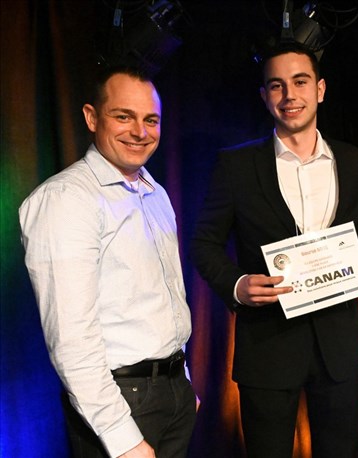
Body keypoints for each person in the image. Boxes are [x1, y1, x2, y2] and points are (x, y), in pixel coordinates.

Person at [190, 41, 358, 457]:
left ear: (320, 89)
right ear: (264, 95)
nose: (290, 95)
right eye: (277, 85)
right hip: (268, 347)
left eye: (300, 82)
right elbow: (204, 243)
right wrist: (237, 285)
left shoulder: (355, 162)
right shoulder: (236, 165)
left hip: (338, 350)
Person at [18, 66, 196, 457]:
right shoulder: (67, 199)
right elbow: (71, 336)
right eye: (124, 116)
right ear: (91, 117)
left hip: (172, 393)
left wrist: (182, 382)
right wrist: (122, 437)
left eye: (151, 120)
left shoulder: (155, 193)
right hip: (120, 402)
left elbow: (166, 296)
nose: (140, 132)